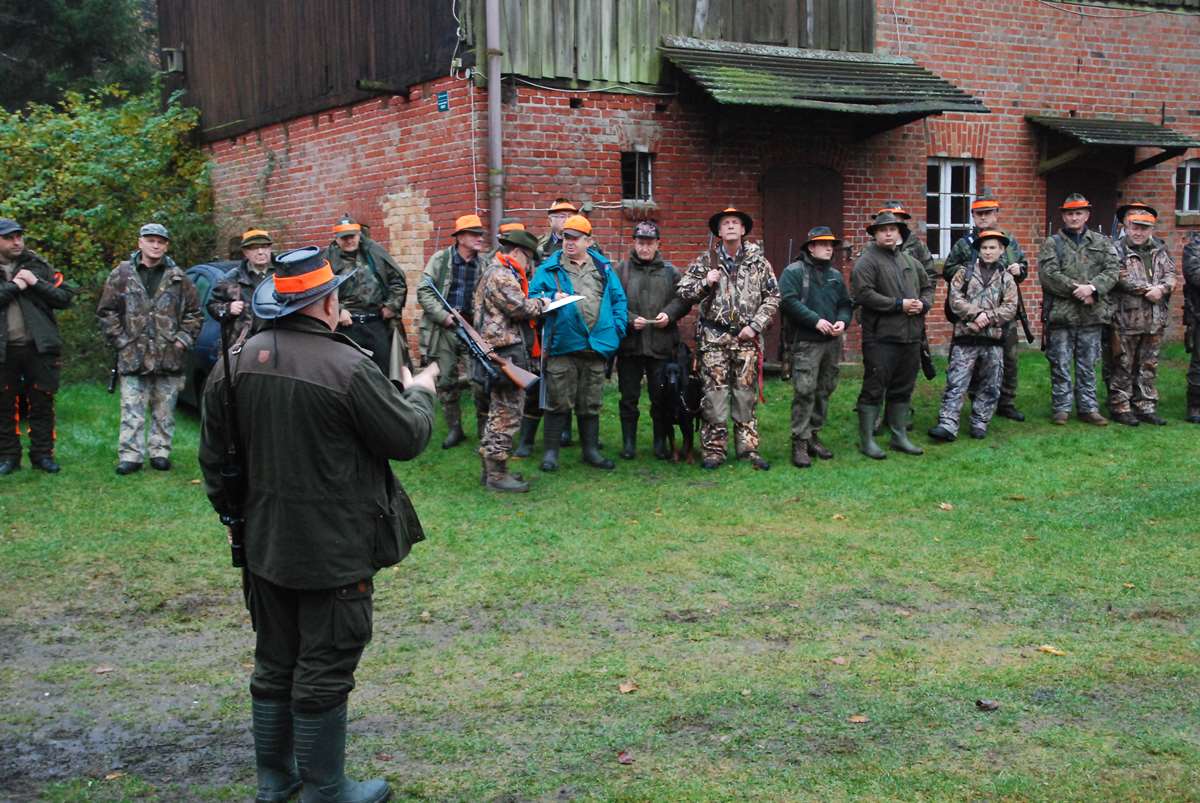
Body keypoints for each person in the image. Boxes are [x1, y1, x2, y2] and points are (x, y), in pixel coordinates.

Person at [199, 246, 438, 803]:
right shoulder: (346, 367)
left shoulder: (234, 360)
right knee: (324, 666)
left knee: (274, 660)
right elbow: (407, 437)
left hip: (264, 543)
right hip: (334, 550)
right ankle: (325, 789)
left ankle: (275, 780)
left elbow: (212, 460)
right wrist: (420, 392)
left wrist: (237, 519)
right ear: (327, 303)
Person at [676, 207, 779, 470]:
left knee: (745, 395)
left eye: (735, 222)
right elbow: (684, 292)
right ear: (719, 231)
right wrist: (705, 282)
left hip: (746, 339)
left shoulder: (759, 262)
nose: (731, 226)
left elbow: (773, 297)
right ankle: (714, 450)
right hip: (713, 339)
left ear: (743, 230)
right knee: (714, 396)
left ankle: (748, 449)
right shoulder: (706, 261)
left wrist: (755, 326)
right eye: (725, 223)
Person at [96, 223, 202, 474]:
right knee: (131, 408)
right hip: (133, 355)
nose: (155, 245)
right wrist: (121, 341)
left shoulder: (178, 277)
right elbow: (106, 311)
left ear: (166, 246)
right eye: (151, 240)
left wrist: (181, 340)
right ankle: (130, 455)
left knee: (165, 409)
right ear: (140, 242)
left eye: (160, 241)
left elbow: (194, 314)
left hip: (169, 355)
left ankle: (160, 451)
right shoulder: (122, 274)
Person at [528, 214, 627, 471]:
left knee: (590, 402)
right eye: (565, 238)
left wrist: (616, 330)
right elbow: (533, 296)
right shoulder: (549, 268)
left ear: (589, 241)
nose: (569, 242)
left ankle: (590, 451)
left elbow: (619, 300)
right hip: (562, 344)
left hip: (596, 346)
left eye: (575, 238)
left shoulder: (603, 268)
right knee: (557, 401)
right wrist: (551, 296)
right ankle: (551, 454)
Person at [942, 190, 1030, 421]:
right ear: (973, 216)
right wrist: (970, 270)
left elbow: (1023, 267)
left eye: (988, 213)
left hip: (1003, 313)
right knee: (970, 358)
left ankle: (1006, 402)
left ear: (996, 214)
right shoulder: (965, 244)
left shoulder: (1008, 242)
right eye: (978, 214)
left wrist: (1019, 270)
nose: (983, 217)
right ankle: (975, 400)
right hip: (972, 314)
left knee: (1008, 358)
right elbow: (948, 270)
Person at [850, 211, 932, 459]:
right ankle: (867, 440)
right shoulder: (867, 262)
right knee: (874, 388)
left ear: (899, 233)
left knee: (903, 387)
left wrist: (923, 304)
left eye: (893, 229)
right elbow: (864, 294)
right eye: (883, 230)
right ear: (875, 234)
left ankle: (899, 436)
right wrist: (899, 304)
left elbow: (927, 286)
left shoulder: (910, 261)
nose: (888, 234)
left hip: (911, 337)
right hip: (880, 338)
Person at [473, 228, 548, 491]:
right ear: (517, 252)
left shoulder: (496, 271)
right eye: (529, 259)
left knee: (499, 411)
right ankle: (496, 475)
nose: (529, 267)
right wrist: (544, 303)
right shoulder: (502, 275)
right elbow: (520, 308)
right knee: (507, 413)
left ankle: (492, 471)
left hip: (502, 350)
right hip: (504, 352)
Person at [1037, 193, 1119, 426]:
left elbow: (1113, 270)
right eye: (1070, 213)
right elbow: (1048, 275)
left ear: (1087, 215)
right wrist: (1079, 290)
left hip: (1092, 314)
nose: (1074, 217)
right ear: (1063, 216)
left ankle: (1088, 407)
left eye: (1078, 213)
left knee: (1088, 364)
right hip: (1061, 314)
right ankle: (1061, 408)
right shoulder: (1052, 243)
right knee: (1060, 363)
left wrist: (1093, 288)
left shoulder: (1102, 242)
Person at [928, 230, 1018, 442]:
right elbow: (955, 300)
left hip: (993, 339)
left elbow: (1010, 307)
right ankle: (948, 423)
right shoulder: (964, 273)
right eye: (984, 248)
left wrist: (988, 317)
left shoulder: (1006, 278)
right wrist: (976, 314)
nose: (988, 252)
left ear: (1001, 250)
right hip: (965, 337)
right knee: (957, 380)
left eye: (992, 248)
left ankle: (980, 421)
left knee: (990, 383)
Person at [0, 218, 73, 475]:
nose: (17, 242)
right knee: (3, 406)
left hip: (39, 347)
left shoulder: (37, 265)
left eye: (19, 236)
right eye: (9, 238)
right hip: (4, 350)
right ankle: (8, 457)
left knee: (42, 403)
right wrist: (14, 286)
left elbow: (65, 297)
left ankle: (42, 455)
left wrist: (35, 282)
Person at [613, 220, 690, 460]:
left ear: (658, 244)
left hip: (662, 346)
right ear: (634, 243)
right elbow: (612, 302)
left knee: (660, 398)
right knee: (628, 398)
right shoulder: (621, 270)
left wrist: (669, 314)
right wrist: (629, 319)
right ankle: (629, 444)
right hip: (630, 347)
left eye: (649, 243)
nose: (644, 248)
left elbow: (684, 299)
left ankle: (660, 443)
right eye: (640, 243)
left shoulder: (671, 272)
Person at [778, 226, 851, 468]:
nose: (829, 248)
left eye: (831, 244)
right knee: (805, 391)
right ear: (811, 247)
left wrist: (843, 321)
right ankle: (800, 440)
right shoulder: (793, 272)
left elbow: (845, 304)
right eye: (824, 244)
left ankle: (813, 435)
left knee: (825, 389)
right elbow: (787, 302)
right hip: (806, 343)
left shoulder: (835, 275)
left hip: (831, 343)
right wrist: (815, 321)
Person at [417, 214, 489, 449]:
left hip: (473, 330)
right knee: (446, 381)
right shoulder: (440, 259)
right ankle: (455, 430)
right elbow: (424, 291)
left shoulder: (485, 264)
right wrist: (443, 316)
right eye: (474, 234)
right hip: (444, 329)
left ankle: (485, 432)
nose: (480, 238)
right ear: (460, 237)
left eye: (480, 234)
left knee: (480, 381)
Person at [1107, 210, 1175, 426]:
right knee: (1122, 364)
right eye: (1134, 227)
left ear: (1151, 229)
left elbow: (1171, 274)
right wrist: (1148, 290)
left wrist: (1162, 289)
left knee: (1148, 365)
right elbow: (1119, 277)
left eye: (1144, 228)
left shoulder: (1160, 250)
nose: (1138, 232)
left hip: (1155, 319)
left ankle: (1145, 406)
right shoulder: (1116, 249)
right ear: (1126, 227)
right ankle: (1120, 406)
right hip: (1126, 318)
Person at [324, 215, 409, 376]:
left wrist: (391, 305)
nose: (349, 241)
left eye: (352, 236)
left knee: (383, 371)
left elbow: (397, 280)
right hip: (346, 327)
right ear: (336, 239)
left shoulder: (374, 253)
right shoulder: (327, 261)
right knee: (350, 373)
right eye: (344, 238)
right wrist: (338, 310)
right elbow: (321, 292)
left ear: (359, 234)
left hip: (376, 322)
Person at [207, 228, 277, 344]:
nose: (260, 252)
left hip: (279, 340)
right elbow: (211, 306)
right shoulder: (231, 278)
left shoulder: (284, 274)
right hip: (245, 343)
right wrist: (228, 308)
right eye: (254, 248)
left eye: (264, 247)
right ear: (245, 252)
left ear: (270, 249)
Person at [1185, 232, 1200, 423]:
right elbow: (1195, 274)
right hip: (1199, 313)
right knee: (1199, 363)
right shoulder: (1195, 246)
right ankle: (1196, 404)